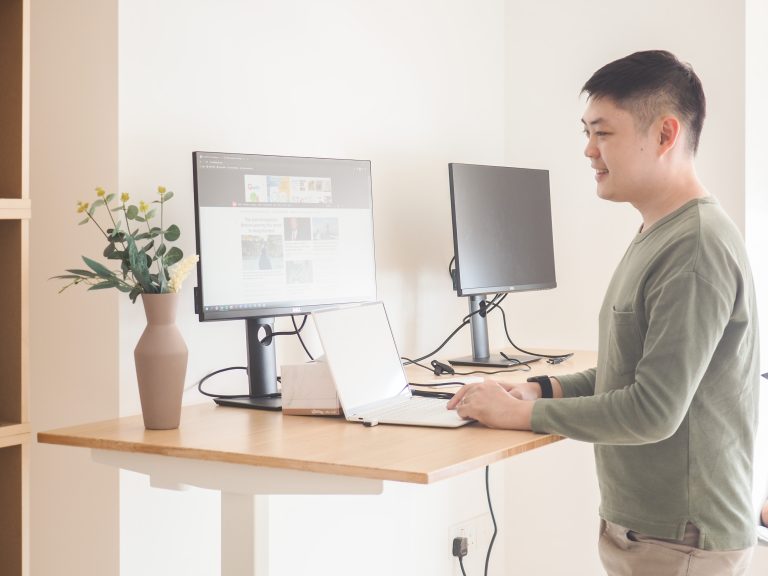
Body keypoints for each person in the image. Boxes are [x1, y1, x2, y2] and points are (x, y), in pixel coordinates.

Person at [448, 50, 760, 575]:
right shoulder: (659, 232)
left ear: (665, 135)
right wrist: (541, 389)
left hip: (681, 540)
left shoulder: (695, 248)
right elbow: (630, 371)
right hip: (654, 531)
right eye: (586, 132)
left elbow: (652, 411)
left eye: (604, 133)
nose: (589, 150)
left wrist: (520, 415)